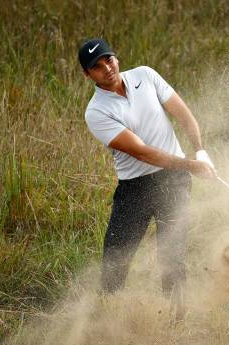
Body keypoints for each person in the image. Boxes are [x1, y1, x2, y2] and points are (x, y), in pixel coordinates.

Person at [79, 38, 216, 321]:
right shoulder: (96, 111)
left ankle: (177, 323)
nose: (107, 68)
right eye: (97, 66)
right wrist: (190, 165)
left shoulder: (145, 75)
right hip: (135, 189)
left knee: (172, 257)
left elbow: (183, 114)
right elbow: (142, 153)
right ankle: (106, 324)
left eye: (109, 60)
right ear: (87, 74)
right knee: (114, 262)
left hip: (174, 182)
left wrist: (200, 149)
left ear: (116, 58)